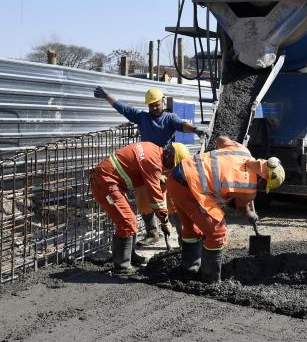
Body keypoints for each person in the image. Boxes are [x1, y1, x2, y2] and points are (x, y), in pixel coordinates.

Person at [94, 86, 207, 248]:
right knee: (143, 200)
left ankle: (184, 235)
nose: (154, 107)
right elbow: (122, 108)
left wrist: (196, 130)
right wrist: (107, 96)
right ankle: (152, 232)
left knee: (172, 200)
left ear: (163, 101)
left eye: (157, 104)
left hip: (166, 163)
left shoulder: (169, 118)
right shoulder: (142, 118)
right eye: (151, 105)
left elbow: (181, 125)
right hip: (144, 163)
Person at [166, 136, 285, 283]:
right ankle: (210, 281)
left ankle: (189, 272)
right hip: (190, 189)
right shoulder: (248, 190)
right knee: (218, 232)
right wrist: (250, 214)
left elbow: (220, 139)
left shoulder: (242, 150)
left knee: (193, 229)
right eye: (263, 186)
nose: (260, 189)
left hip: (176, 177)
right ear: (263, 178)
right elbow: (241, 208)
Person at [90, 141, 177, 273]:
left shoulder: (153, 149)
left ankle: (130, 256)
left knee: (130, 220)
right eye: (173, 164)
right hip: (105, 183)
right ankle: (122, 266)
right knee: (127, 221)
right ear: (168, 155)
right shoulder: (153, 162)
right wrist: (165, 221)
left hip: (112, 181)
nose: (171, 168)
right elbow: (155, 198)